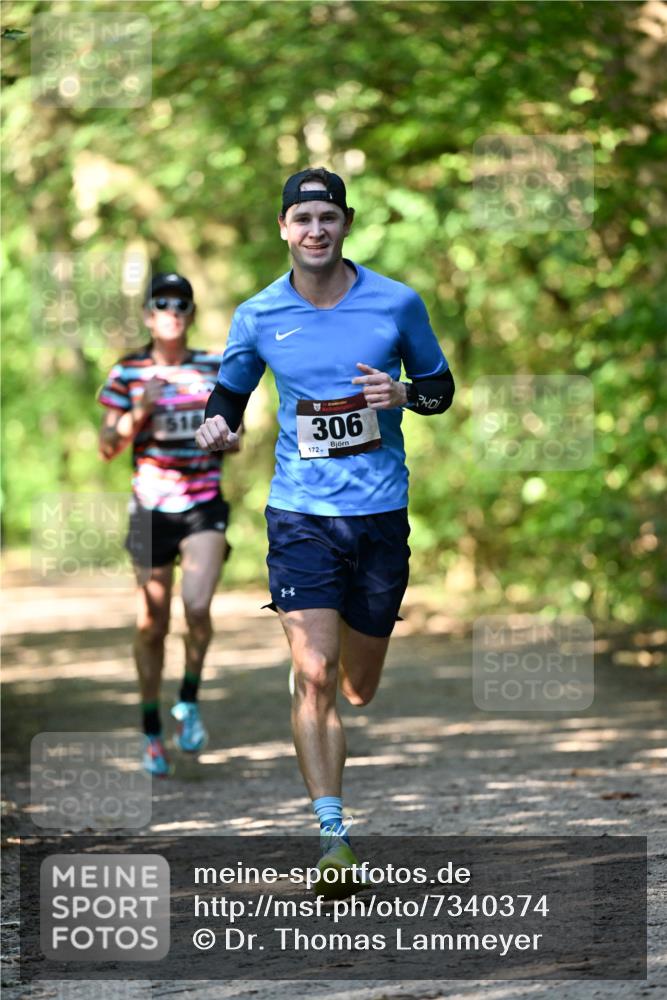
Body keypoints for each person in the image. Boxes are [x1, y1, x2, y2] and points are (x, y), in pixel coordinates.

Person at [196, 168, 455, 894]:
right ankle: (333, 836)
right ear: (283, 228)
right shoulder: (257, 314)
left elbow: (439, 388)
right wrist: (219, 425)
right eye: (301, 217)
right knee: (313, 675)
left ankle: (328, 664)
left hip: (378, 515)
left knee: (357, 686)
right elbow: (230, 394)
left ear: (345, 225)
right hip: (300, 513)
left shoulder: (395, 302)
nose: (315, 229)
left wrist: (403, 393)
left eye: (327, 217)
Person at [99, 273, 235, 776]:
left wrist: (223, 435)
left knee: (197, 606)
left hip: (203, 505)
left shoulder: (213, 367)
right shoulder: (127, 371)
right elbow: (107, 447)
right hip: (149, 508)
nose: (172, 311)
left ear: (192, 314)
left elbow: (234, 436)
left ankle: (191, 700)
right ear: (147, 314)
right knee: (151, 624)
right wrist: (140, 410)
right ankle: (151, 730)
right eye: (162, 303)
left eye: (182, 304)